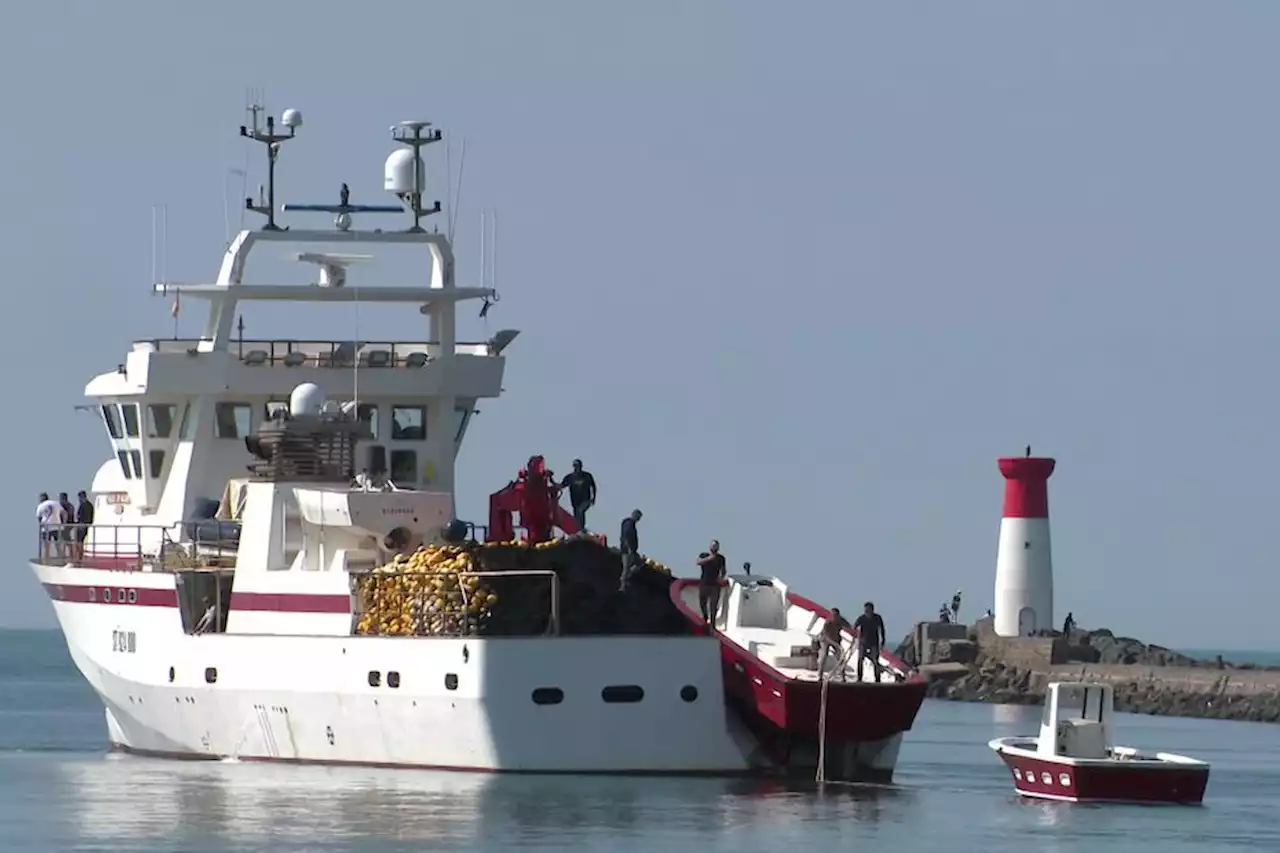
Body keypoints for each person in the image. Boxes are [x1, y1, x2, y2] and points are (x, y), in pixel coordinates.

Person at [853, 601, 887, 684]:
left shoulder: (877, 618)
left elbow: (882, 629)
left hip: (874, 643)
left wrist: (883, 640)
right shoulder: (862, 618)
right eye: (866, 610)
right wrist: (858, 637)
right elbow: (854, 627)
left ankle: (877, 679)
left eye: (868, 610)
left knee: (875, 661)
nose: (867, 612)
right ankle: (859, 678)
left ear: (872, 610)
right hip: (863, 642)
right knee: (860, 659)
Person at [559, 459, 597, 532]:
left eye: (578, 466)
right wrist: (551, 481)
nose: (577, 468)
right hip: (575, 501)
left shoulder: (587, 476)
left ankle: (581, 528)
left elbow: (593, 486)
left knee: (580, 510)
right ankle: (578, 530)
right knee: (576, 515)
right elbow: (561, 486)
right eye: (575, 466)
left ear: (581, 466)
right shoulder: (570, 477)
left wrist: (593, 498)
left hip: (586, 500)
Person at [695, 540, 727, 626]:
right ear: (710, 547)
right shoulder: (704, 555)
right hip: (704, 583)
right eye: (713, 546)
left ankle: (713, 624)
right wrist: (709, 559)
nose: (714, 547)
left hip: (715, 585)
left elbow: (723, 571)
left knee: (713, 605)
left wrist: (721, 578)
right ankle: (705, 618)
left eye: (716, 546)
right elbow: (698, 562)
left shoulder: (721, 558)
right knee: (702, 603)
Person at [819, 607, 853, 680]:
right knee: (824, 656)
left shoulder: (841, 620)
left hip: (836, 640)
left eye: (836, 616)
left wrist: (855, 632)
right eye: (833, 615)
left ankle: (843, 676)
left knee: (840, 658)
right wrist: (835, 644)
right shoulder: (828, 623)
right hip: (826, 640)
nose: (834, 617)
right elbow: (825, 635)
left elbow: (849, 627)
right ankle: (820, 676)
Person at [35, 492, 65, 562]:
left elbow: (39, 517)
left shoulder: (40, 506)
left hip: (46, 528)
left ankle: (46, 562)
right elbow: (64, 513)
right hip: (57, 527)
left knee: (46, 547)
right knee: (58, 546)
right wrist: (63, 523)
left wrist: (42, 524)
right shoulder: (56, 503)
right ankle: (62, 561)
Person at [618, 509, 642, 591]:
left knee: (639, 563)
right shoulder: (629, 523)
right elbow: (626, 535)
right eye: (638, 517)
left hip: (632, 549)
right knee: (626, 567)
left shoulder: (630, 523)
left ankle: (626, 578)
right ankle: (622, 585)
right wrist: (629, 548)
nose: (639, 519)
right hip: (627, 549)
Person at [74, 490, 94, 561]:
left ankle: (79, 556)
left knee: (79, 541)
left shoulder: (82, 505)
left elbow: (78, 516)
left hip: (81, 525)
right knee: (82, 541)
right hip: (88, 525)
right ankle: (80, 555)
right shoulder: (90, 505)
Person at [57, 492, 76, 560]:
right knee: (66, 541)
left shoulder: (63, 505)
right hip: (70, 525)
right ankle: (69, 554)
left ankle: (65, 555)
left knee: (65, 540)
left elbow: (65, 515)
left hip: (65, 525)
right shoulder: (70, 505)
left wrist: (63, 523)